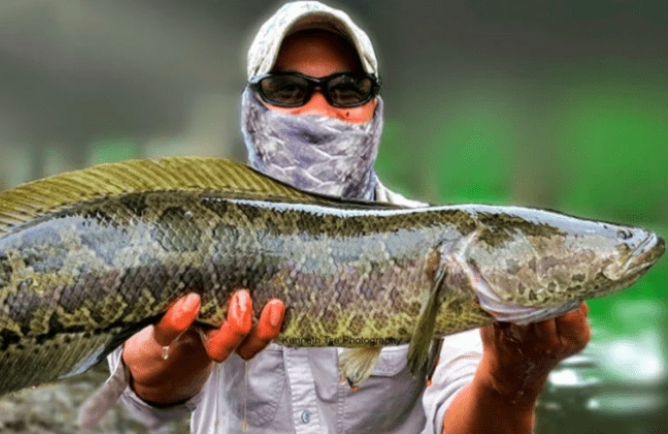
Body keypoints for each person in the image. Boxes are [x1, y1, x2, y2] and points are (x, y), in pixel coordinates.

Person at [80, 2, 591, 433]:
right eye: (287, 89)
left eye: (347, 90)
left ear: (375, 108)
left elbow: (462, 416)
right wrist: (191, 343)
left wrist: (511, 379)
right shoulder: (191, 232)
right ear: (252, 107)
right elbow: (144, 393)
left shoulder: (437, 243)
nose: (319, 110)